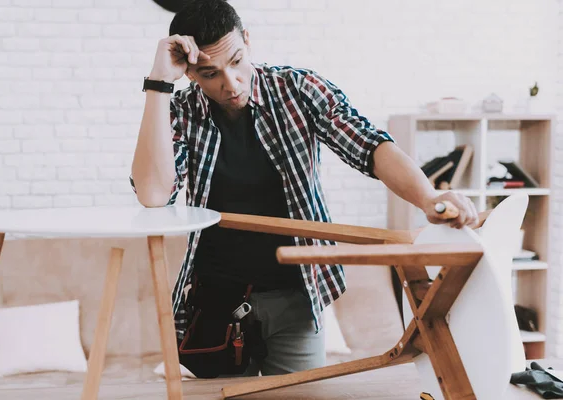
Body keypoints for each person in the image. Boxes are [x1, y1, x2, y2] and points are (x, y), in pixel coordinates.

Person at [130, 0, 479, 377]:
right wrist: (158, 85)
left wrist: (428, 197)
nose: (230, 85)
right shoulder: (181, 109)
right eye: (209, 73)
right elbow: (153, 194)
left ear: (247, 40)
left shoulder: (298, 89)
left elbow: (369, 145)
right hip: (216, 301)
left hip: (297, 296)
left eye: (236, 61)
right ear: (190, 73)